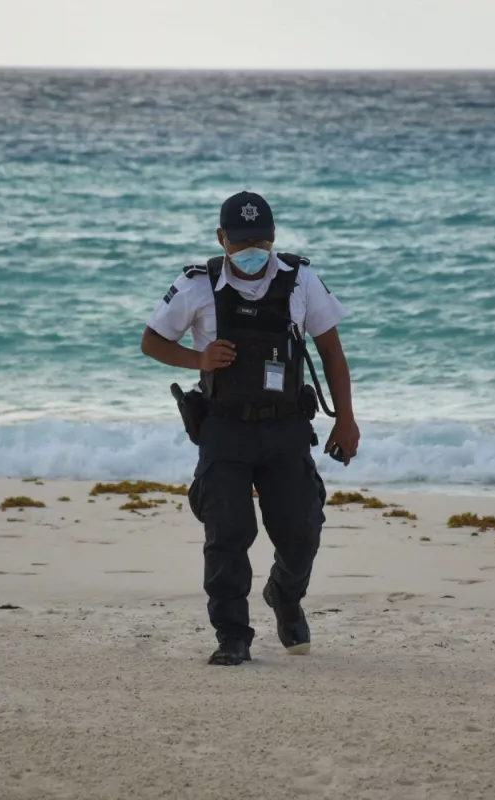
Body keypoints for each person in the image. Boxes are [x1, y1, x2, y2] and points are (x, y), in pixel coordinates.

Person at [141, 190, 360, 666]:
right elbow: (152, 341)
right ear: (222, 238)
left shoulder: (301, 279)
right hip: (224, 428)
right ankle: (232, 635)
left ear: (274, 236)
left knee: (302, 528)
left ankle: (284, 594)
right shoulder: (198, 284)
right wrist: (198, 358)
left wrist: (345, 418)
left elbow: (332, 353)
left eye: (259, 240)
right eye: (240, 242)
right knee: (228, 533)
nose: (250, 250)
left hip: (285, 428)